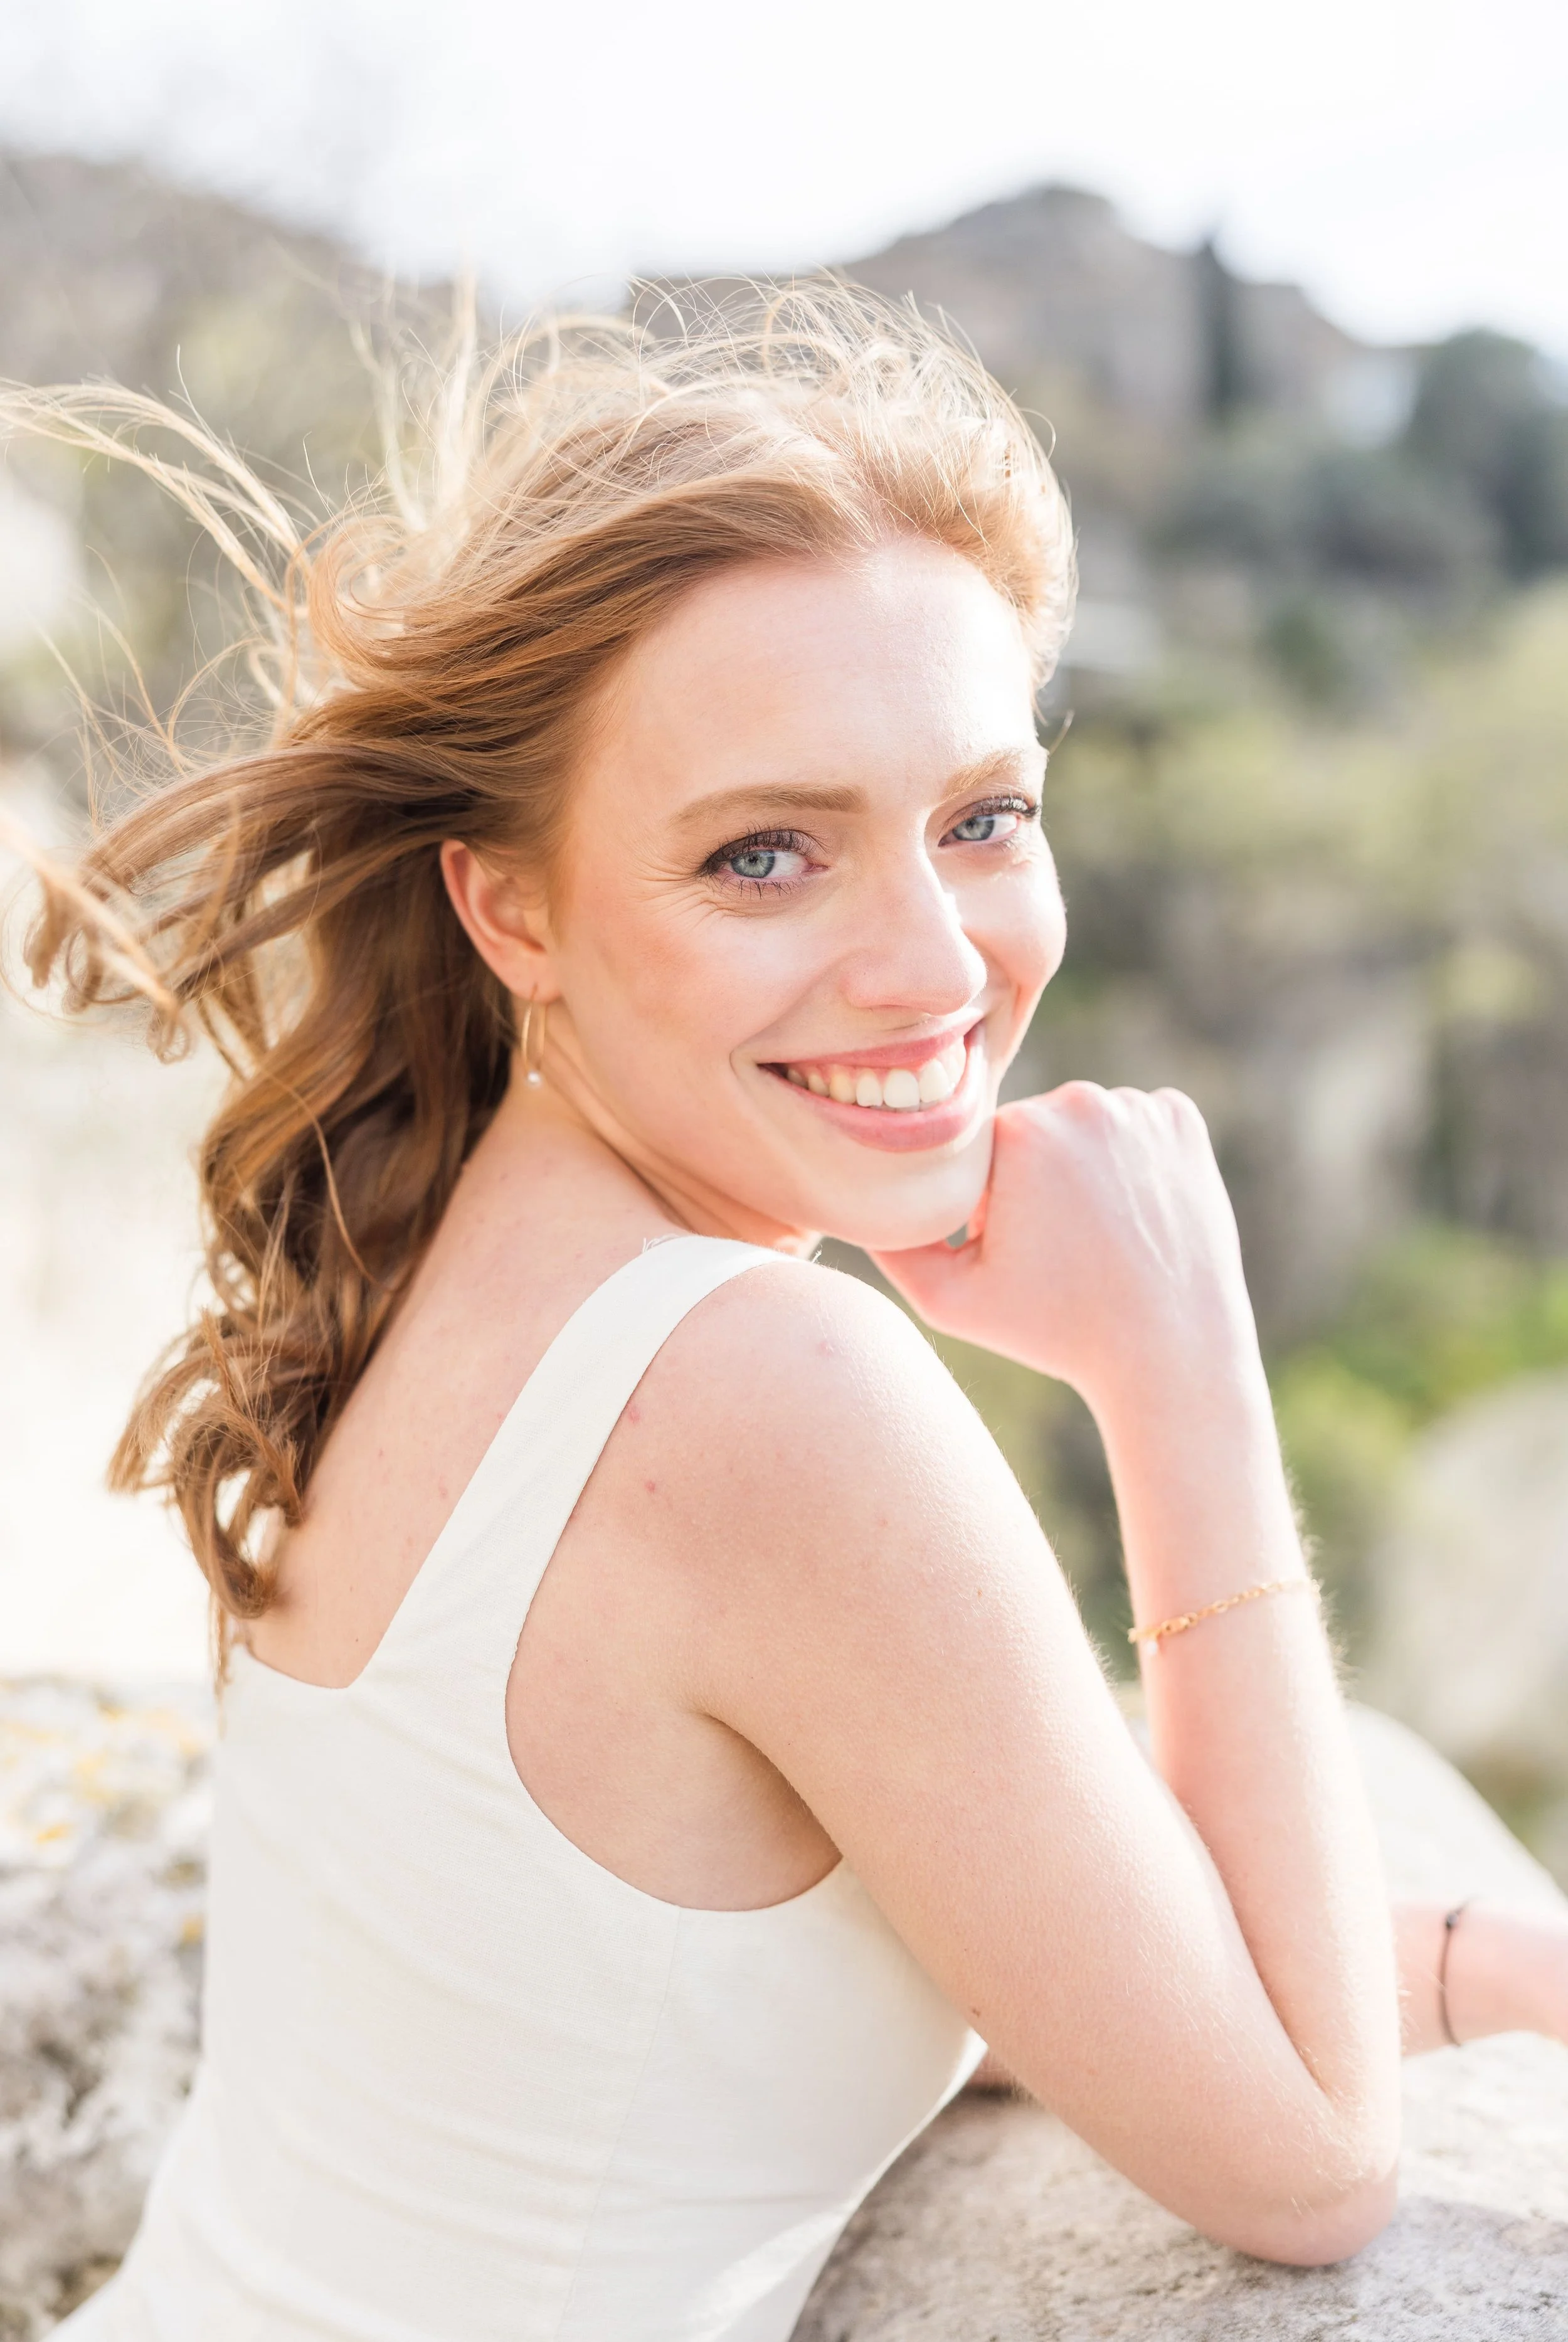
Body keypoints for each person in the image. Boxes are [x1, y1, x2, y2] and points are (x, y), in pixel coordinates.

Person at [11, 287, 1565, 2342]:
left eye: (982, 817)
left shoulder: (417, 1253)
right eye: (764, 855)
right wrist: (1180, 1367)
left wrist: (1479, 1957)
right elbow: (1303, 2160)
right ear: (517, 907)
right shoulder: (756, 1388)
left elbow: (857, 1948)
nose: (930, 962)